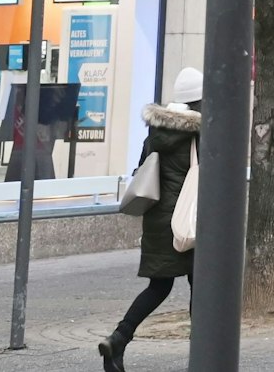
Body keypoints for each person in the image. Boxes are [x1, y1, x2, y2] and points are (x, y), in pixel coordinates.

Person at [98, 67, 201, 372]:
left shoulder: (157, 131)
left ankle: (118, 338)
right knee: (202, 284)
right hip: (189, 219)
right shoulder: (199, 133)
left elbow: (143, 168)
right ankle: (203, 356)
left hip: (158, 220)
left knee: (160, 286)